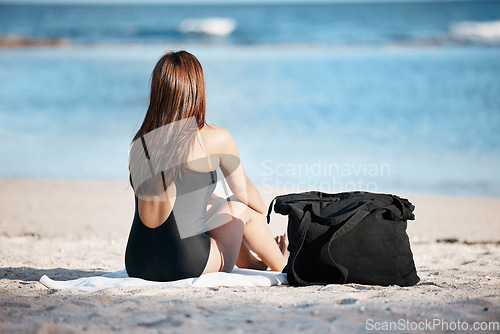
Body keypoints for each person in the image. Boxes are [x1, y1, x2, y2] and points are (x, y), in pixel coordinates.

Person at [125, 50, 288, 282]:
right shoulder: (216, 137)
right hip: (185, 263)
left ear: (158, 92)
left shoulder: (139, 144)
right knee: (242, 209)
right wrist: (261, 214)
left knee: (212, 205)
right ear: (196, 91)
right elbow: (246, 195)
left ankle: (255, 264)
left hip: (137, 262)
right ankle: (282, 263)